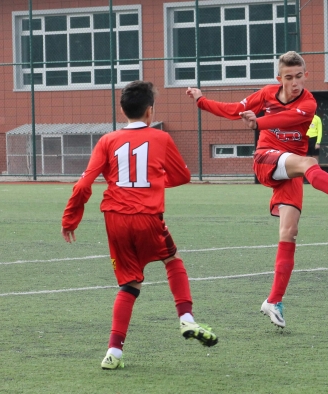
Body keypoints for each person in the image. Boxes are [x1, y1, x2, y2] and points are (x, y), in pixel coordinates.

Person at [186, 51, 328, 329]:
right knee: (309, 162)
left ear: (305, 75)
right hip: (267, 159)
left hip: (291, 170)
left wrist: (258, 122)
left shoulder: (309, 103)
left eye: (299, 76)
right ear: (279, 78)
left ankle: (273, 301)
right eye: (288, 78)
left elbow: (286, 120)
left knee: (289, 233)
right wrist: (201, 100)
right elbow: (232, 109)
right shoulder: (266, 94)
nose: (295, 82)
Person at [61, 81, 218, 370]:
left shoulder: (107, 140)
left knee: (129, 284)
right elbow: (183, 176)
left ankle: (113, 353)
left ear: (122, 110)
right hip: (146, 216)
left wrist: (71, 218)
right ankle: (186, 319)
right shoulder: (161, 138)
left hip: (115, 219)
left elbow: (85, 182)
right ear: (150, 112)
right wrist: (155, 183)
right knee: (172, 259)